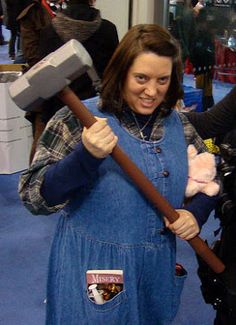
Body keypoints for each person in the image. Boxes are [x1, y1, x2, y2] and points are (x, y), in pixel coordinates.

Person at [19, 24, 218, 324]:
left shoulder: (179, 124)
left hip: (154, 268)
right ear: (121, 71)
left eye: (162, 80)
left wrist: (195, 214)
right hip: (98, 271)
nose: (152, 91)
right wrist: (85, 156)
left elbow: (208, 178)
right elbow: (34, 196)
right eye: (141, 78)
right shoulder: (76, 120)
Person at [19, 0, 119, 162]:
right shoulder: (108, 30)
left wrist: (46, 117)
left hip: (59, 109)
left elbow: (44, 76)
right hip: (97, 112)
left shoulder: (49, 31)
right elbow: (115, 74)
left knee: (59, 165)